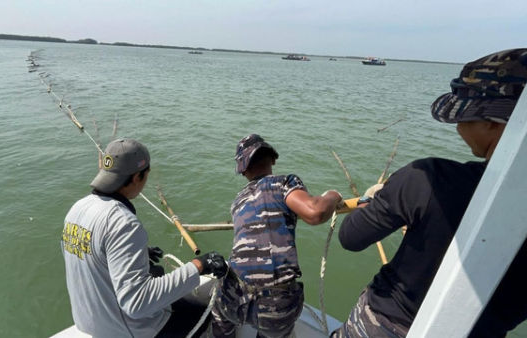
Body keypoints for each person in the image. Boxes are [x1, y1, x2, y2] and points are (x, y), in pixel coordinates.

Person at [332, 48, 527, 337]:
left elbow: (351, 237)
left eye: (464, 117)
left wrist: (382, 199)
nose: (459, 127)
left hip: (385, 324)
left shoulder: (426, 179)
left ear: (492, 122)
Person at [61, 138, 228, 338]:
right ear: (136, 177)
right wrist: (199, 265)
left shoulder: (77, 209)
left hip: (91, 323)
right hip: (126, 330)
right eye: (146, 174)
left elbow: (91, 253)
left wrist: (136, 254)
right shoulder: (123, 222)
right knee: (208, 312)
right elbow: (137, 303)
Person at [211, 134, 343, 338]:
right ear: (273, 159)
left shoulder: (237, 201)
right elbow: (315, 212)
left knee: (220, 317)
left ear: (243, 170)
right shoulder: (284, 182)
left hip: (233, 298)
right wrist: (332, 196)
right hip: (276, 308)